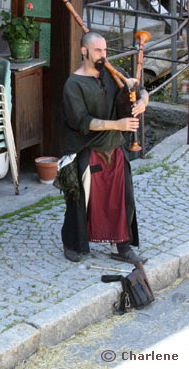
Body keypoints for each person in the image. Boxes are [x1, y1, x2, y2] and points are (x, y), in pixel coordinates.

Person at [59, 32, 148, 264]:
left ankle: (123, 247)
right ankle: (74, 244)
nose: (103, 56)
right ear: (84, 51)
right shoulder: (73, 84)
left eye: (105, 51)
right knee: (79, 201)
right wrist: (117, 124)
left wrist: (141, 102)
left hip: (115, 148)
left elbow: (140, 89)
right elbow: (83, 122)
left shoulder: (110, 74)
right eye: (98, 51)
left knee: (123, 198)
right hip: (87, 149)